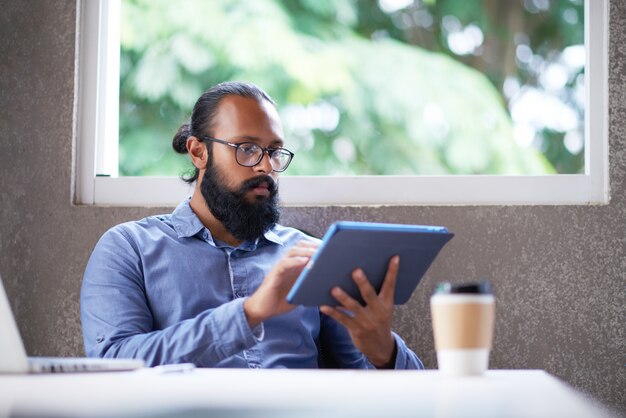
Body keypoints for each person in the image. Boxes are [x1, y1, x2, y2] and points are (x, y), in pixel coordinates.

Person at [80, 81, 424, 369]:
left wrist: (383, 349)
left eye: (274, 151)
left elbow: (400, 393)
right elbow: (113, 365)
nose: (265, 167)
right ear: (199, 152)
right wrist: (249, 312)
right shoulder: (128, 248)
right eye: (246, 149)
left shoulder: (307, 255)